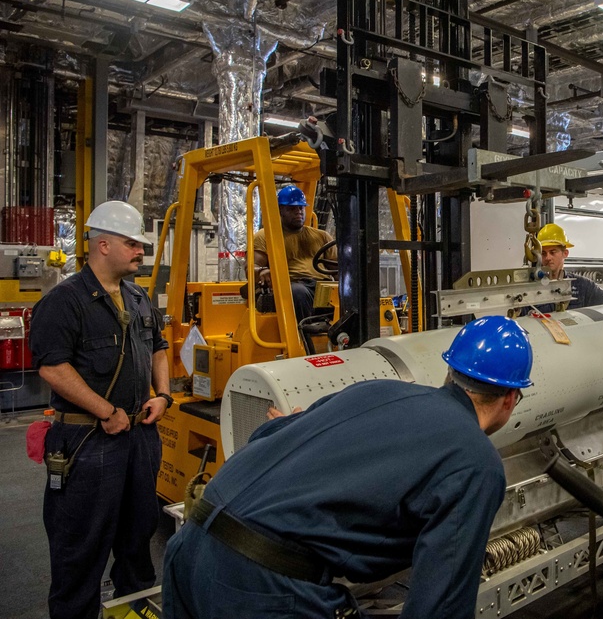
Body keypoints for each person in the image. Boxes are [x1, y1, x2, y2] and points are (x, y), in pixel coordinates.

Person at [162, 315, 533, 619]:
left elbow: (271, 432)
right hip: (257, 584)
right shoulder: (475, 460)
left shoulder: (376, 390)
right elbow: (442, 598)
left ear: (449, 372)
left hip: (188, 547)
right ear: (510, 399)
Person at [30, 200, 171, 619]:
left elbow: (160, 347)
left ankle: (133, 608)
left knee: (138, 537)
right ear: (103, 245)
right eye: (132, 243)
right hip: (88, 442)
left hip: (140, 437)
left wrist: (162, 395)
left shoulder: (138, 297)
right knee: (81, 545)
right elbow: (53, 368)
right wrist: (106, 412)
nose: (140, 252)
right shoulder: (65, 301)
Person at [251, 184, 335, 321]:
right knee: (297, 293)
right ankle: (303, 338)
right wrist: (261, 271)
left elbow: (336, 268)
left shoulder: (322, 236)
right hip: (293, 285)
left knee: (349, 293)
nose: (299, 212)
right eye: (292, 209)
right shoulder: (265, 236)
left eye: (301, 208)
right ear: (280, 210)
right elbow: (251, 268)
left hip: (322, 286)